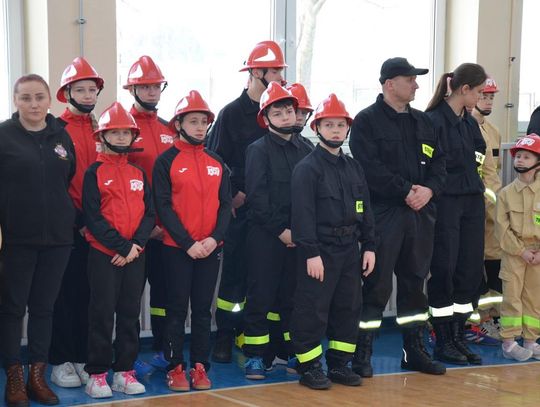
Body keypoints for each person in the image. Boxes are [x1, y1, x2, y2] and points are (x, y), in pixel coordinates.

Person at [349, 57, 446, 377]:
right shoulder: (366, 121)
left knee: (415, 284)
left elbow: (440, 164)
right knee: (375, 285)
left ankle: (413, 351)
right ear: (390, 84)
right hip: (384, 214)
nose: (416, 85)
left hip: (420, 214)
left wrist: (429, 190)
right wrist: (405, 190)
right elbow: (368, 168)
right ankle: (362, 353)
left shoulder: (425, 122)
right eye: (410, 79)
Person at [206, 40, 287, 363]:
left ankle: (257, 338)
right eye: (275, 71)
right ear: (256, 72)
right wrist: (232, 193)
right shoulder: (231, 114)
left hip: (273, 213)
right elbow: (214, 161)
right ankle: (225, 336)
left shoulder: (281, 111)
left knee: (266, 279)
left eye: (280, 70)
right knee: (235, 276)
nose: (280, 76)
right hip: (241, 211)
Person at [289, 94, 376, 390]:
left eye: (341, 125)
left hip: (350, 249)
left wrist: (370, 245)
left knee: (348, 308)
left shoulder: (354, 167)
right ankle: (309, 367)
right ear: (316, 128)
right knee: (313, 309)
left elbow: (365, 208)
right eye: (329, 125)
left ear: (348, 128)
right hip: (320, 251)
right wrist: (311, 253)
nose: (336, 130)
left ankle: (339, 364)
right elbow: (302, 215)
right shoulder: (307, 169)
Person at [0, 74, 76, 407]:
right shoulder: (4, 135)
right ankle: (14, 378)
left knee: (44, 309)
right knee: (13, 308)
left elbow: (67, 177)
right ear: (15, 101)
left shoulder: (61, 135)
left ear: (49, 100)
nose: (33, 104)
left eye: (39, 97)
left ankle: (37, 376)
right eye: (26, 98)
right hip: (16, 239)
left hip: (58, 239)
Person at [153, 91, 232, 391]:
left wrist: (214, 239)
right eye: (193, 121)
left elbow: (225, 205)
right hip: (177, 249)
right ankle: (175, 367)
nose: (200, 127)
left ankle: (200, 366)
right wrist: (187, 243)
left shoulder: (216, 161)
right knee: (176, 309)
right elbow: (163, 207)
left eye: (203, 122)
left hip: (210, 248)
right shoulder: (166, 161)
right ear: (179, 124)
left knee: (201, 311)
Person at [242, 82, 314, 380]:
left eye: (289, 111)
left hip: (298, 237)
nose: (285, 117)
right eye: (278, 112)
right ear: (266, 118)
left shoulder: (307, 149)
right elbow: (257, 198)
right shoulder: (257, 150)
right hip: (266, 237)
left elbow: (312, 196)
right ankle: (255, 357)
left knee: (292, 298)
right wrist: (281, 231)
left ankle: (291, 351)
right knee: (260, 297)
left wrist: (301, 232)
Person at [82, 102, 154, 398]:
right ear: (102, 136)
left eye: (126, 132)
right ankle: (97, 374)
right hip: (104, 255)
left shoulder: (138, 172)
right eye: (115, 132)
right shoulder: (94, 173)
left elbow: (149, 214)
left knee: (129, 313)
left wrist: (135, 246)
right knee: (101, 314)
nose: (122, 137)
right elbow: (93, 217)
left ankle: (125, 371)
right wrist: (123, 247)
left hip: (135, 254)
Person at [425, 63, 488, 365]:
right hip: (446, 203)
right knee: (444, 270)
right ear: (464, 89)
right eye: (478, 92)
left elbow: (479, 154)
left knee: (470, 271)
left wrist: (469, 174)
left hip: (472, 201)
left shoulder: (469, 123)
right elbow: (432, 165)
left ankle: (459, 334)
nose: (480, 97)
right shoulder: (432, 121)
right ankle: (443, 339)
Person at [49, 56, 104, 389]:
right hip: (68, 228)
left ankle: (84, 357)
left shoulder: (102, 129)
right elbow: (56, 183)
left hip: (99, 228)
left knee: (90, 296)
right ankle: (60, 360)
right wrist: (78, 220)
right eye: (80, 89)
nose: (87, 95)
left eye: (92, 90)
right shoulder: (55, 130)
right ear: (67, 93)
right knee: (63, 296)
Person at [123, 55, 176, 372]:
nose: (152, 91)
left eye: (156, 86)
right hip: (135, 232)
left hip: (166, 231)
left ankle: (162, 350)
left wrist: (167, 224)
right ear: (132, 89)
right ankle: (126, 359)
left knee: (164, 295)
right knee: (128, 298)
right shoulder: (122, 128)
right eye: (145, 86)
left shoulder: (170, 128)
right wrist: (145, 227)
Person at [495, 134, 540, 362]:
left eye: (526, 156)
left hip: (537, 255)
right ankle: (509, 343)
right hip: (514, 254)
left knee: (534, 298)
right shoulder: (505, 194)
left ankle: (531, 340)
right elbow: (501, 229)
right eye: (518, 156)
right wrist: (521, 251)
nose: (520, 160)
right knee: (512, 297)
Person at [468, 76, 504, 345]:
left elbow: (494, 173)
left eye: (492, 97)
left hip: (492, 212)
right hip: (471, 209)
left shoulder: (493, 132)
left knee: (494, 263)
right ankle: (474, 321)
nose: (489, 101)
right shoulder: (465, 128)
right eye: (484, 96)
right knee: (470, 266)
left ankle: (492, 316)